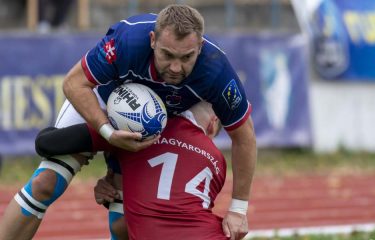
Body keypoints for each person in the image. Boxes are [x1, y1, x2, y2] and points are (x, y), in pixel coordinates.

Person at [0, 4, 256, 240]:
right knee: (45, 183)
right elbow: (74, 83)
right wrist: (107, 132)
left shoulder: (217, 69)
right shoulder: (128, 40)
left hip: (153, 125)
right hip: (101, 100)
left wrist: (238, 208)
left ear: (200, 47)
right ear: (153, 41)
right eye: (167, 55)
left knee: (122, 222)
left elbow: (244, 135)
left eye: (187, 57)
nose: (176, 68)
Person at [35, 102, 230, 239]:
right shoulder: (218, 160)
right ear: (212, 125)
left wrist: (115, 188)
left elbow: (46, 143)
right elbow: (172, 196)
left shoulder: (141, 133)